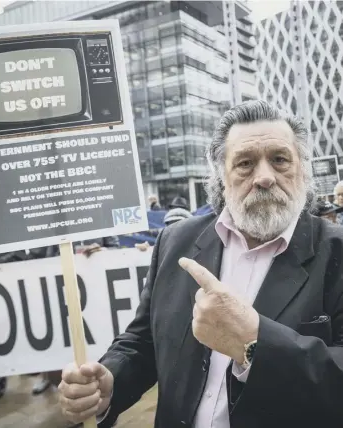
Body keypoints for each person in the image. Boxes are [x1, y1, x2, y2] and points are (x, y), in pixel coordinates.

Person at [58, 100, 343, 428]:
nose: (264, 177)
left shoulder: (336, 251)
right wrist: (109, 383)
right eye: (245, 163)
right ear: (222, 177)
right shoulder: (175, 241)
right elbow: (144, 341)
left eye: (279, 160)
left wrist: (254, 343)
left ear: (302, 170)